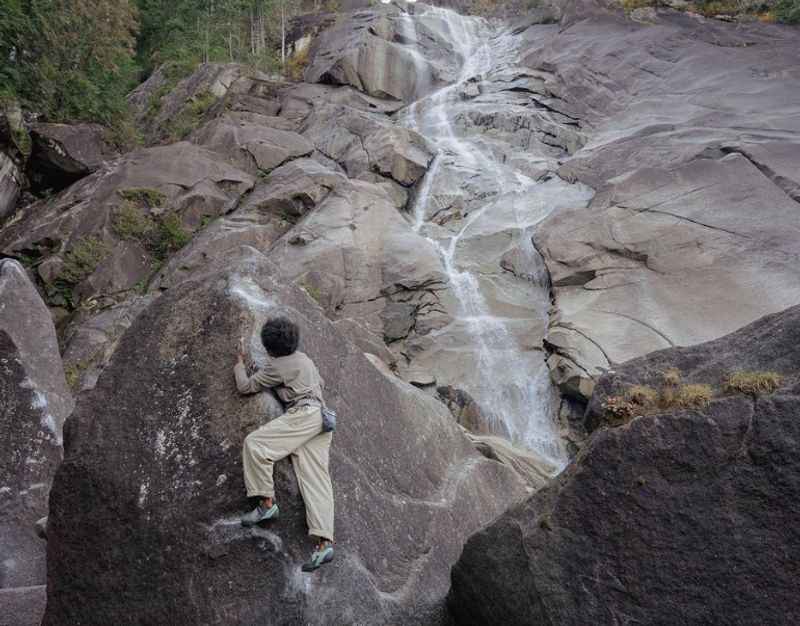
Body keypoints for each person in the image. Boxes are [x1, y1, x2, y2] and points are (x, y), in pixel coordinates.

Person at [234, 316, 335, 572]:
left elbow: (245, 387)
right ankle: (324, 543)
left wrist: (238, 366)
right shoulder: (304, 359)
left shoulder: (276, 367)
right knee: (315, 480)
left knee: (255, 444)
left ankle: (266, 504)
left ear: (269, 348)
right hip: (322, 419)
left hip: (304, 416)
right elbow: (317, 383)